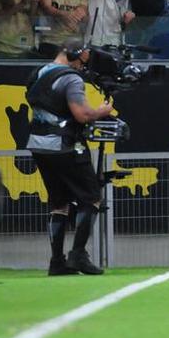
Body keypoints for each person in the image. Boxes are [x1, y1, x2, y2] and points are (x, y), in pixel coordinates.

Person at [26, 41, 117, 276]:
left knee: (59, 202)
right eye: (82, 60)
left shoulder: (39, 73)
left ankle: (57, 261)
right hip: (65, 145)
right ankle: (78, 254)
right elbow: (82, 114)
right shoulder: (71, 79)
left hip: (38, 144)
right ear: (74, 56)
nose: (82, 66)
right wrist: (102, 111)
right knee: (92, 196)